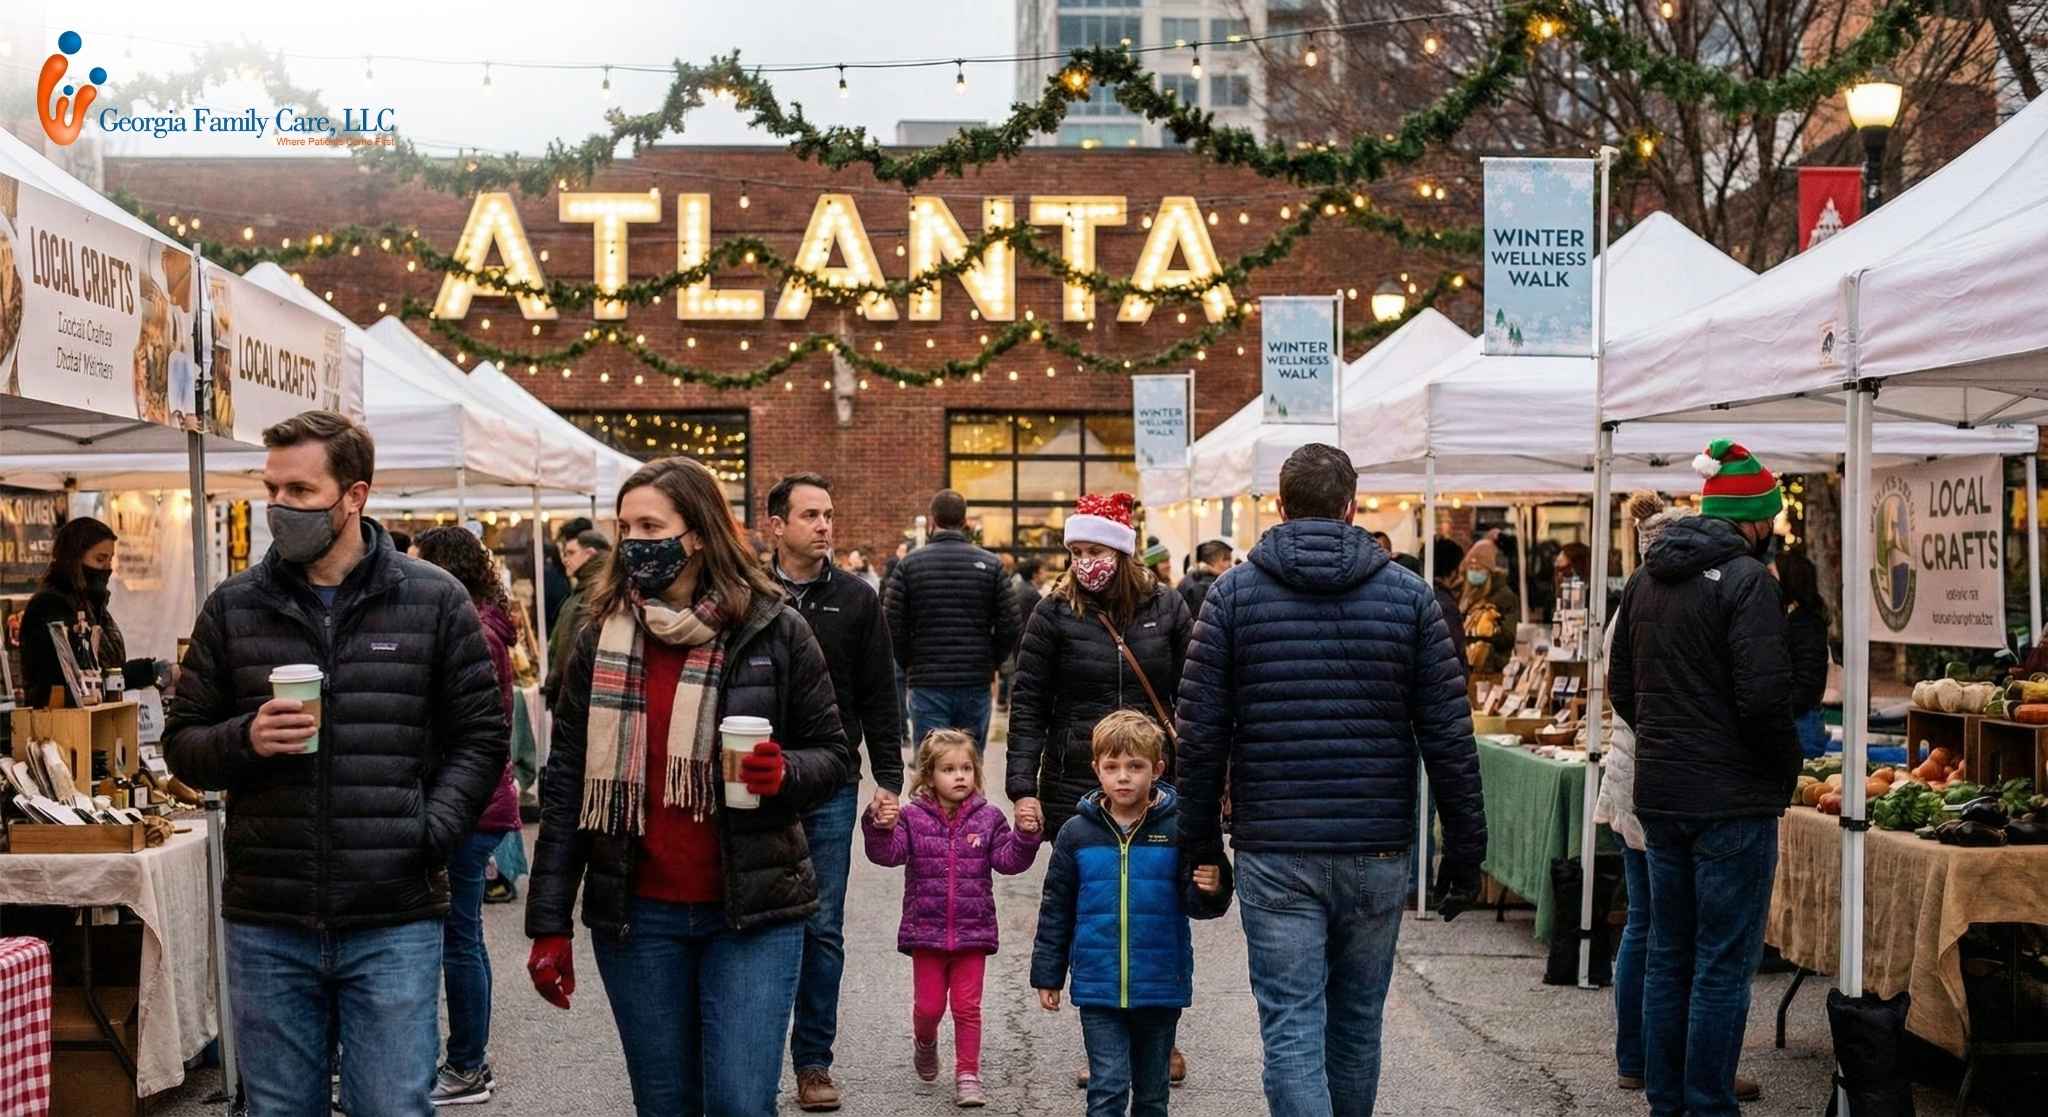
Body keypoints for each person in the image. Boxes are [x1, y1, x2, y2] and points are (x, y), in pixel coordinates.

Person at [164, 411, 507, 1117]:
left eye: (299, 490)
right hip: (269, 914)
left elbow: (480, 737)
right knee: (281, 1108)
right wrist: (245, 737)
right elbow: (184, 743)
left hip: (393, 913)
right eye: (272, 489)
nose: (279, 507)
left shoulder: (432, 598)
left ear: (354, 495)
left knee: (389, 1104)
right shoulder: (234, 606)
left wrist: (427, 831)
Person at [525, 456, 853, 1117]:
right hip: (638, 915)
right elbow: (565, 784)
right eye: (626, 527)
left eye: (651, 524)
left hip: (753, 911)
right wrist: (548, 922)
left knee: (738, 1100)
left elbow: (834, 755)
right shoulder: (600, 636)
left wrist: (783, 772)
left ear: (698, 533)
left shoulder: (773, 628)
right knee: (665, 1101)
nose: (635, 541)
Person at [1174, 443, 1486, 1117]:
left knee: (1291, 1024)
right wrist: (1465, 848)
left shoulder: (1233, 594)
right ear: (1353, 506)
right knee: (1355, 1020)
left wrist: (1197, 843)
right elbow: (1449, 735)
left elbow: (1200, 733)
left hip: (1276, 842)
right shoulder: (1409, 597)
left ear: (1280, 507)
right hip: (1375, 841)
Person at [1608, 440, 1799, 1117]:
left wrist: (1668, 741)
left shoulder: (1643, 580)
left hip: (1663, 796)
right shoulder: (1749, 583)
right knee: (1720, 962)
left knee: (1670, 951)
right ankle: (1707, 1102)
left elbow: (1622, 692)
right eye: (1771, 516)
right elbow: (1764, 699)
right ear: (1753, 518)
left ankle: (1669, 1099)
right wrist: (1782, 770)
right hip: (1730, 800)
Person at [764, 472, 906, 1112]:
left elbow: (879, 691)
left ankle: (813, 1062)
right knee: (760, 921)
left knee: (822, 925)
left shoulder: (856, 598)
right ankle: (756, 1051)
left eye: (829, 513)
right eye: (810, 515)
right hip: (754, 782)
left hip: (830, 780)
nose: (824, 525)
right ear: (776, 526)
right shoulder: (748, 594)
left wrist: (891, 780)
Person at [1031, 710, 1231, 1117]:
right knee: (1106, 1087)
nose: (1124, 777)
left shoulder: (1177, 829)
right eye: (1112, 767)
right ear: (1096, 770)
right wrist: (1048, 975)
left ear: (1157, 769)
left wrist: (1212, 888)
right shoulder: (1076, 833)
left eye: (1135, 766)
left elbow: (1199, 906)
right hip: (1098, 986)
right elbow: (1056, 908)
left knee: (1153, 1094)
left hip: (1160, 984)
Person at [862, 729, 1042, 1107]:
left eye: (966, 768)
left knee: (966, 1007)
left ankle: (967, 1073)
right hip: (925, 932)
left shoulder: (989, 818)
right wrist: (879, 825)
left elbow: (1008, 862)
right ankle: (925, 1042)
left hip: (972, 933)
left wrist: (1026, 836)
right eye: (948, 769)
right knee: (928, 1008)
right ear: (928, 776)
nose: (959, 776)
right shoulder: (912, 818)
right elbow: (888, 854)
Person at [412, 525, 525, 1106]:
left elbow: (468, 730)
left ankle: (467, 1065)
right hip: (474, 799)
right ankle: (466, 1062)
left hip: (469, 803)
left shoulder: (473, 633)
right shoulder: (477, 623)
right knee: (462, 935)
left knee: (458, 936)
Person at [1009, 491, 1193, 841]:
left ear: (1121, 553)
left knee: (1153, 887)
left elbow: (1194, 694)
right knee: (1083, 888)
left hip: (1154, 782)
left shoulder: (1167, 607)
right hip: (1074, 782)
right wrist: (1022, 788)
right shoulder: (1052, 613)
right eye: (1076, 552)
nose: (1084, 562)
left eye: (1095, 551)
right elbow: (1029, 705)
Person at [886, 490, 1019, 750]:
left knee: (931, 761)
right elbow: (1010, 622)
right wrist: (990, 660)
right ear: (964, 520)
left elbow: (892, 623)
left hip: (927, 679)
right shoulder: (990, 564)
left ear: (932, 520)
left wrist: (909, 661)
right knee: (969, 763)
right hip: (975, 679)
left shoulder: (909, 565)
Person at [20, 516, 125, 708]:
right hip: (61, 726)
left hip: (98, 718)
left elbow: (109, 671)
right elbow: (72, 679)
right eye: (100, 559)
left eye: (110, 560)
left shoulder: (94, 605)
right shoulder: (49, 606)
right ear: (75, 558)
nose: (107, 568)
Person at [543, 528, 612, 709]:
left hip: (579, 698)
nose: (565, 559)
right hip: (573, 694)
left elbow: (574, 645)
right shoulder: (583, 589)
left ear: (590, 553)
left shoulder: (596, 591)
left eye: (571, 553)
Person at [1777, 551, 1832, 759]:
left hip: (1800, 725)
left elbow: (1808, 682)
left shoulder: (1805, 624)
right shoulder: (1797, 619)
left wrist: (1779, 709)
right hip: (1798, 721)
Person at [1456, 538, 1521, 674]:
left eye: (1479, 569)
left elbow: (1508, 638)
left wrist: (1490, 631)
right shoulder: (1463, 594)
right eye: (1471, 569)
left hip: (1492, 667)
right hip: (1465, 666)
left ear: (1489, 571)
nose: (1474, 573)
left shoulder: (1504, 596)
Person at [1176, 539, 1232, 621]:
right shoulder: (1208, 586)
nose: (1230, 564)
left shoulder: (1190, 579)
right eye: (1226, 559)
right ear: (1213, 561)